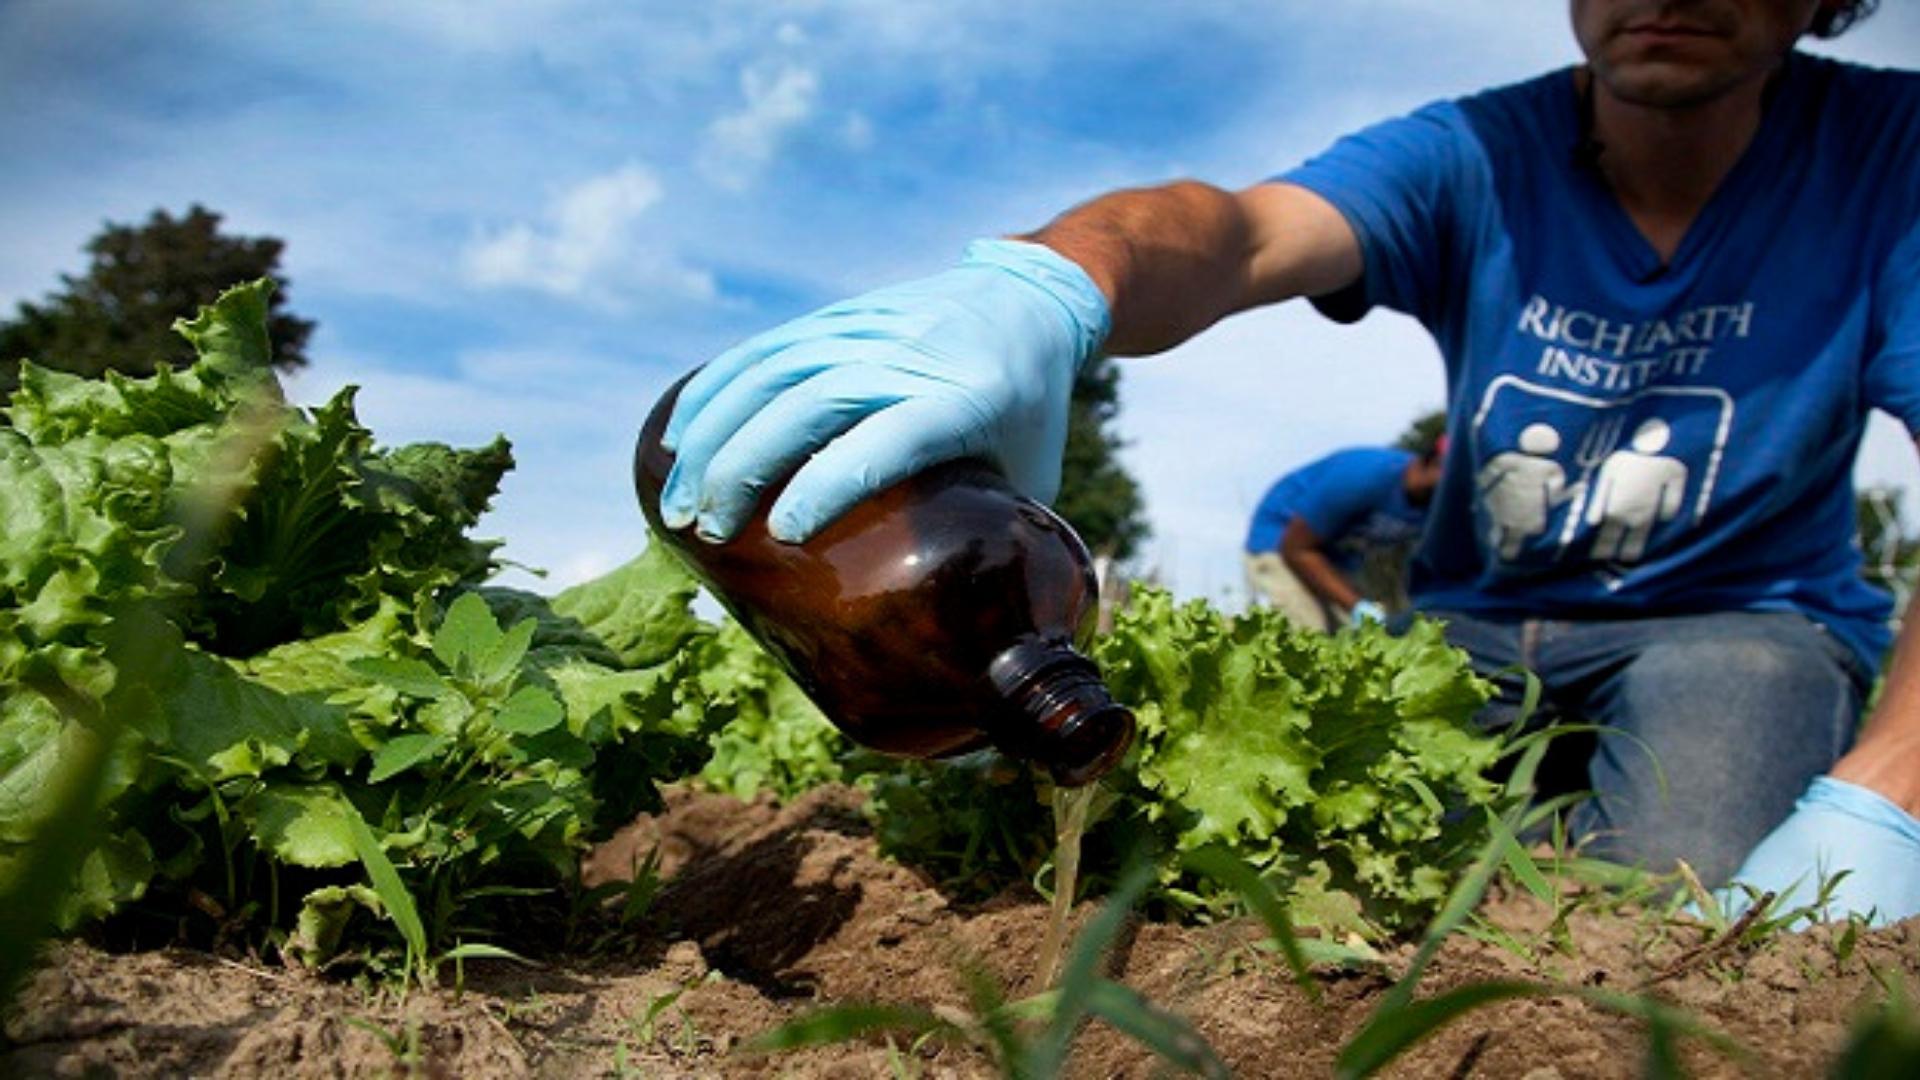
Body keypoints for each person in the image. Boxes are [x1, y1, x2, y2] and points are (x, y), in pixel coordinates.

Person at [656, 0, 1920, 924]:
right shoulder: (1478, 152)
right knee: (1306, 891)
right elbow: (1240, 234)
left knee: (1671, 911)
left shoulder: (1891, 157)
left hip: (1745, 619)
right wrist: (1052, 284)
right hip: (1472, 628)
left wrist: (1889, 792)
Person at [1244, 440, 1444, 631]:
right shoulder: (1364, 476)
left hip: (1334, 557)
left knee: (1360, 639)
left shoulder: (1441, 502)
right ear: (1433, 462)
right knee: (1309, 630)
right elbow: (1296, 549)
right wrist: (1357, 607)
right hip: (1281, 542)